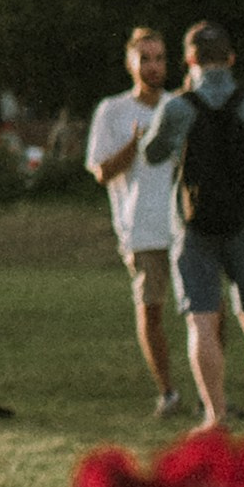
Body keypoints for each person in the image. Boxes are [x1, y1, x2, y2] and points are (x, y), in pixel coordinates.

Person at [142, 22, 244, 437]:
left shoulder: (178, 107)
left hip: (193, 225)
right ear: (232, 58)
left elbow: (153, 154)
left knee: (201, 321)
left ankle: (214, 417)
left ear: (189, 60)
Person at [85, 27, 185, 420]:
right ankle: (169, 392)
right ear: (130, 63)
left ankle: (214, 396)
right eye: (145, 58)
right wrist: (134, 144)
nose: (153, 66)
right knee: (152, 312)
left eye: (159, 58)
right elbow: (102, 171)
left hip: (185, 225)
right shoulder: (113, 110)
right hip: (141, 228)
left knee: (210, 312)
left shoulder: (179, 106)